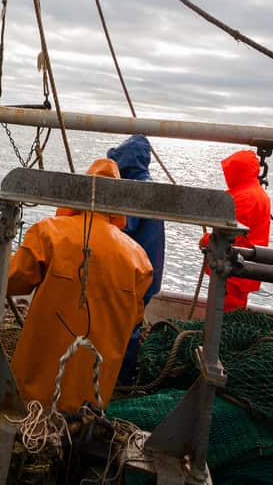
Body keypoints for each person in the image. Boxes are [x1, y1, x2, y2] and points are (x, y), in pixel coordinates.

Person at [0, 158, 153, 412]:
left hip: (32, 398)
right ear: (119, 205)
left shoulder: (50, 232)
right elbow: (133, 320)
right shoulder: (139, 259)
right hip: (91, 406)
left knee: (24, 427)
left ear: (78, 192)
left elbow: (7, 282)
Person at [106, 135, 165, 384]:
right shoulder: (146, 185)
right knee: (130, 324)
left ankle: (120, 381)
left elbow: (123, 228)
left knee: (125, 328)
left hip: (136, 276)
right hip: (147, 272)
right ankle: (121, 377)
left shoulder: (135, 190)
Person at [200, 149, 271, 311]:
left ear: (238, 171)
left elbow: (232, 238)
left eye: (229, 171)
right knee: (230, 312)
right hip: (243, 268)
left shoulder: (244, 198)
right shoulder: (255, 193)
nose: (226, 176)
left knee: (222, 318)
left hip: (233, 271)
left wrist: (206, 241)